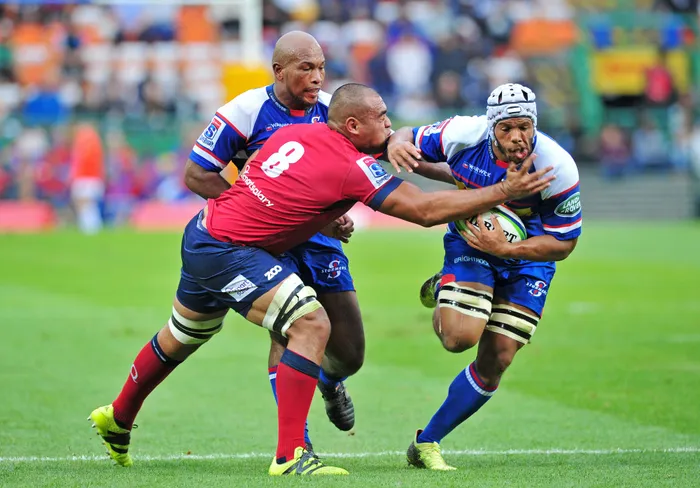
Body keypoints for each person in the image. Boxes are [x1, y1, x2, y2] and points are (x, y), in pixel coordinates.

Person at [89, 82, 555, 476]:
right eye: (382, 118)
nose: (390, 125)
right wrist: (502, 190)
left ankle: (118, 416)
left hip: (207, 234)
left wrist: (323, 217)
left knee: (182, 337)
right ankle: (291, 456)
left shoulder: (295, 133)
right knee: (310, 324)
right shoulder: (349, 164)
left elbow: (276, 183)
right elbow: (424, 210)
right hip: (229, 252)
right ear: (353, 126)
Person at [387, 83, 582, 471]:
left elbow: (564, 243)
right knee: (459, 339)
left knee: (498, 358)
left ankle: (426, 443)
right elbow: (408, 136)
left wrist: (507, 250)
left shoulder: (557, 167)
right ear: (491, 126)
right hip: (472, 243)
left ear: (535, 124)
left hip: (528, 258)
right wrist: (396, 142)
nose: (517, 137)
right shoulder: (462, 133)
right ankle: (448, 286)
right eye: (507, 128)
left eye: (524, 127)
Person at [183, 31, 358, 448]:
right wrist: (252, 208)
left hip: (319, 239)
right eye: (306, 68)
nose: (317, 77)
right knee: (289, 328)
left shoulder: (334, 111)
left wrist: (331, 215)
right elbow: (197, 174)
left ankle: (330, 381)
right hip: (267, 242)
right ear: (278, 71)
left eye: (321, 68)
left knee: (351, 353)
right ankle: (297, 444)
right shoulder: (244, 111)